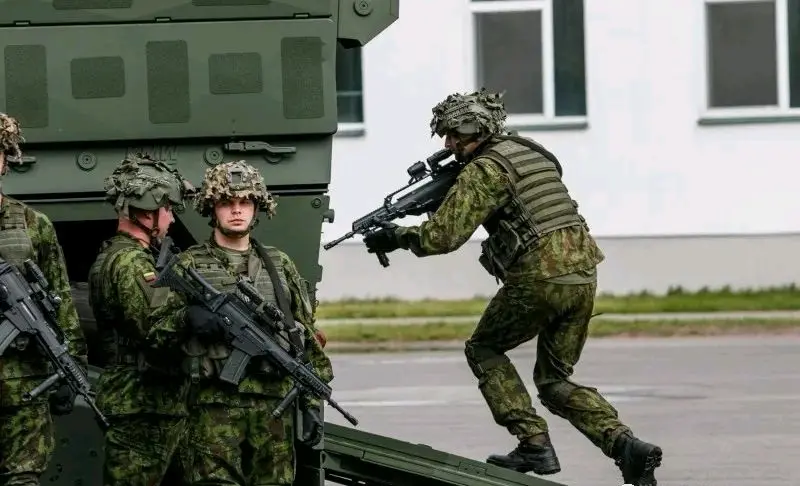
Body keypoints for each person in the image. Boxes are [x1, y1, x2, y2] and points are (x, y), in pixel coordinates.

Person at [361, 89, 663, 486]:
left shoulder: (483, 170)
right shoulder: (530, 151)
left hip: (540, 276)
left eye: (453, 134)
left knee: (483, 349)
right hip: (583, 274)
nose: (448, 144)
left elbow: (442, 238)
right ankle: (625, 446)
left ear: (475, 128)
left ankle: (533, 442)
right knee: (554, 381)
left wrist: (396, 237)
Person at [147, 159, 332, 485]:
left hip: (273, 410)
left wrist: (313, 403)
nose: (237, 210)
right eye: (227, 203)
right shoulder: (190, 264)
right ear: (211, 208)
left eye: (245, 202)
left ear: (257, 206)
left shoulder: (278, 264)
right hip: (211, 408)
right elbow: (154, 335)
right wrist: (186, 318)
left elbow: (305, 338)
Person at [87, 154, 196, 485]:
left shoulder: (119, 255)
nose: (171, 220)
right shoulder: (131, 262)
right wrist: (195, 316)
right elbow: (155, 331)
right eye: (168, 210)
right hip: (142, 404)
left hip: (147, 402)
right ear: (148, 210)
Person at [0, 112, 87, 486]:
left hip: (24, 383)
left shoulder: (33, 224)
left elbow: (60, 299)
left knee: (24, 479)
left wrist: (73, 366)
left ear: (6, 159)